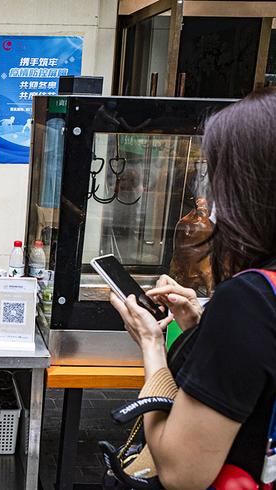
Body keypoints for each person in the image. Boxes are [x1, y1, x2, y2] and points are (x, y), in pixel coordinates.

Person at [110, 90, 276, 488]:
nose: (210, 197)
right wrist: (199, 328)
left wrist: (151, 345)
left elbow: (180, 471)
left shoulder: (249, 300)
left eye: (217, 176)